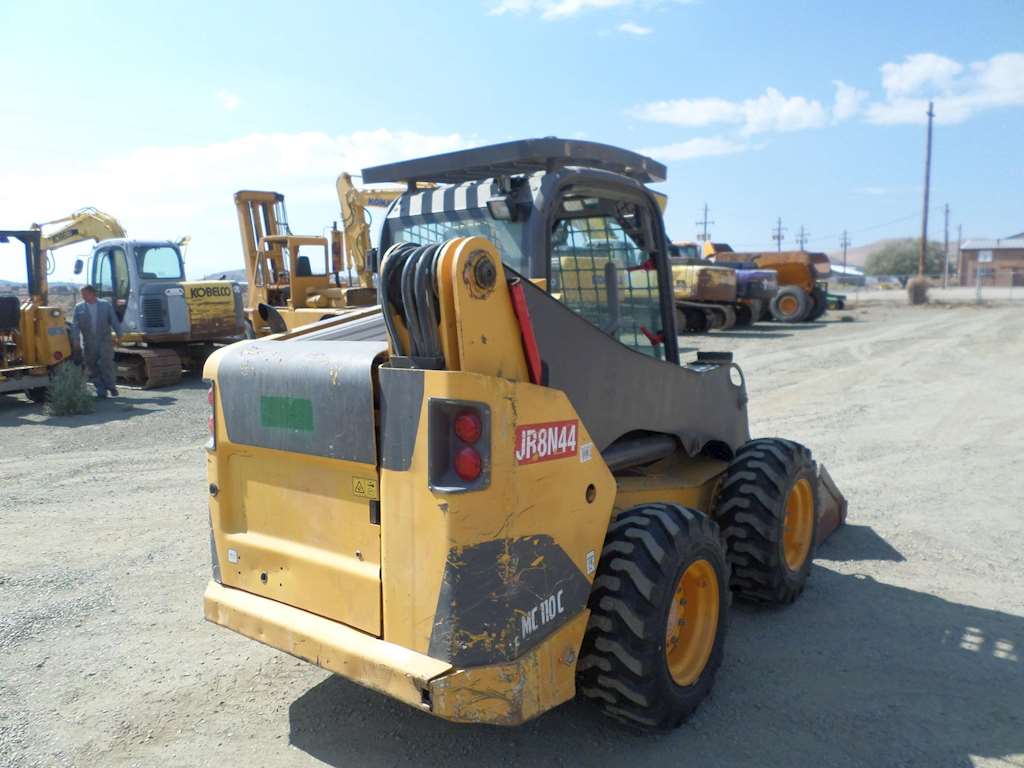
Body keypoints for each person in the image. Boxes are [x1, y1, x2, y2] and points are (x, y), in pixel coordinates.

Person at [70, 285, 122, 398]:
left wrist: (119, 335)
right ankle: (100, 389)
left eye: (85, 294)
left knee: (105, 363)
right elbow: (75, 325)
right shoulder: (79, 308)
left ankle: (111, 386)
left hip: (104, 340)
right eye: (82, 294)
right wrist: (75, 339)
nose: (83, 296)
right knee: (92, 366)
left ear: (92, 293)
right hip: (89, 342)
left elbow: (114, 320)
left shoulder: (105, 305)